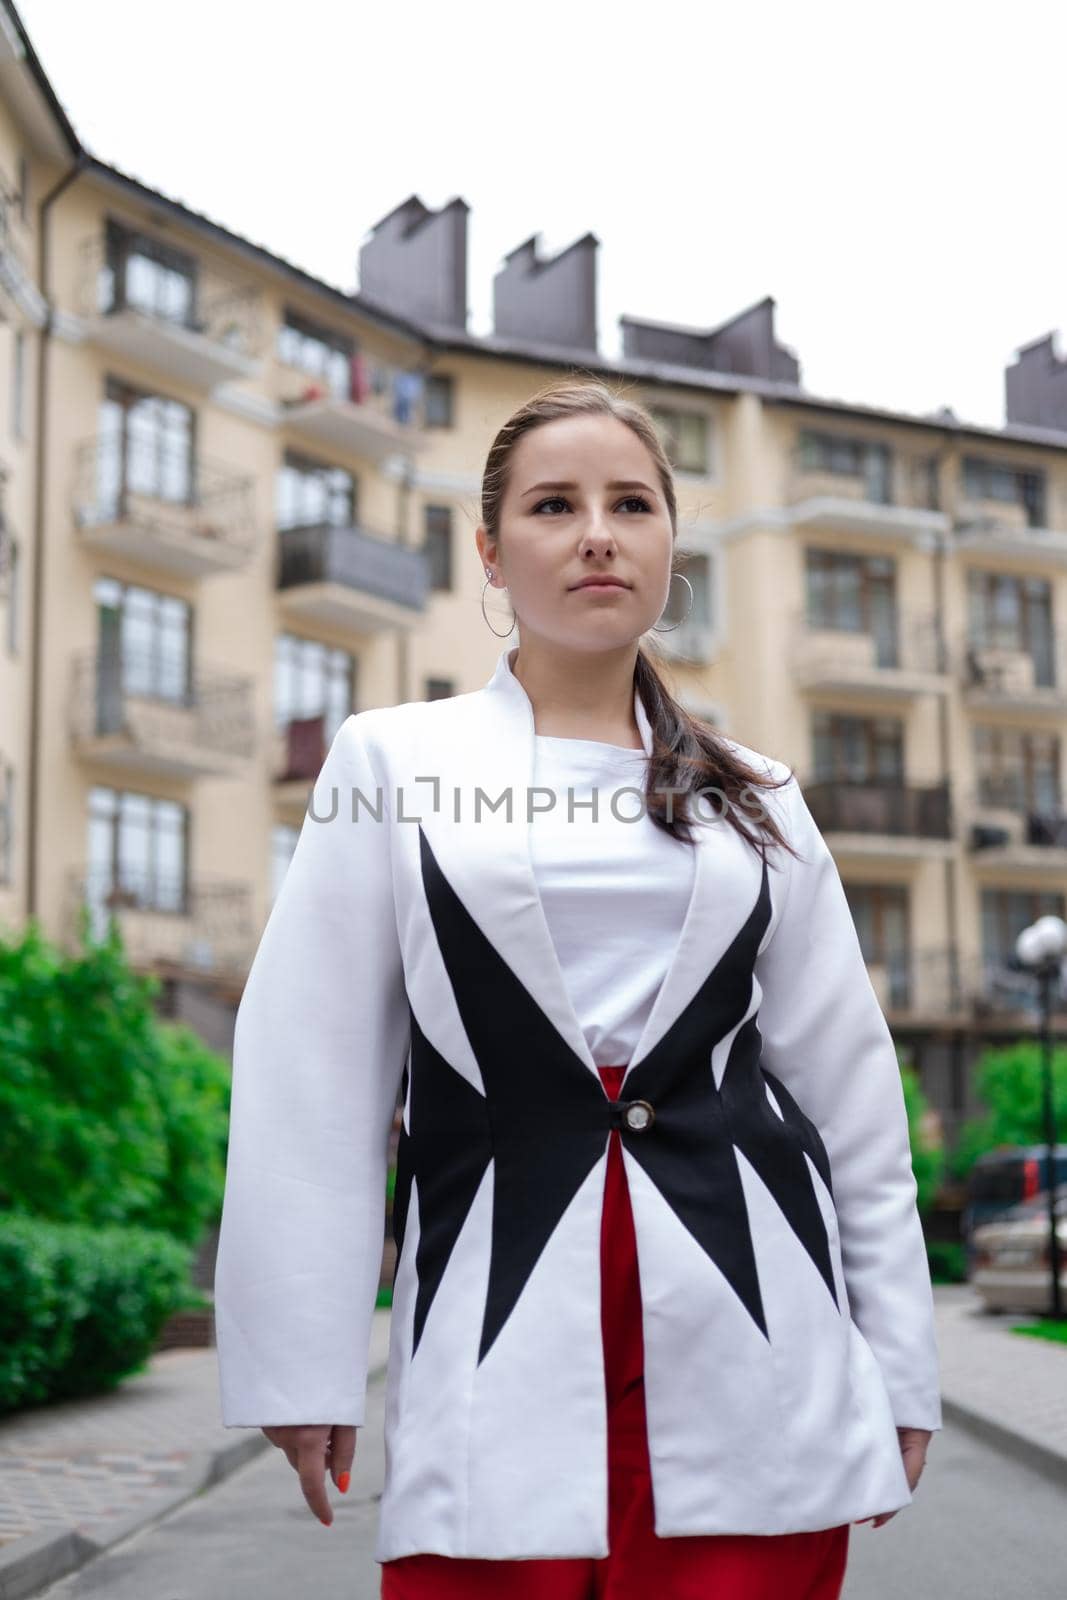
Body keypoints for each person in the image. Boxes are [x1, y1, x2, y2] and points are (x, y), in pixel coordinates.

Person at [213, 377, 942, 1598]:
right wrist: (304, 1366)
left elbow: (854, 1106)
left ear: (671, 543)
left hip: (758, 1337)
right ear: (492, 550)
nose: (598, 531)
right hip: (500, 1329)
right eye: (555, 504)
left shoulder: (758, 794)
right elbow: (310, 1076)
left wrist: (901, 1363)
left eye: (631, 503)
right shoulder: (390, 762)